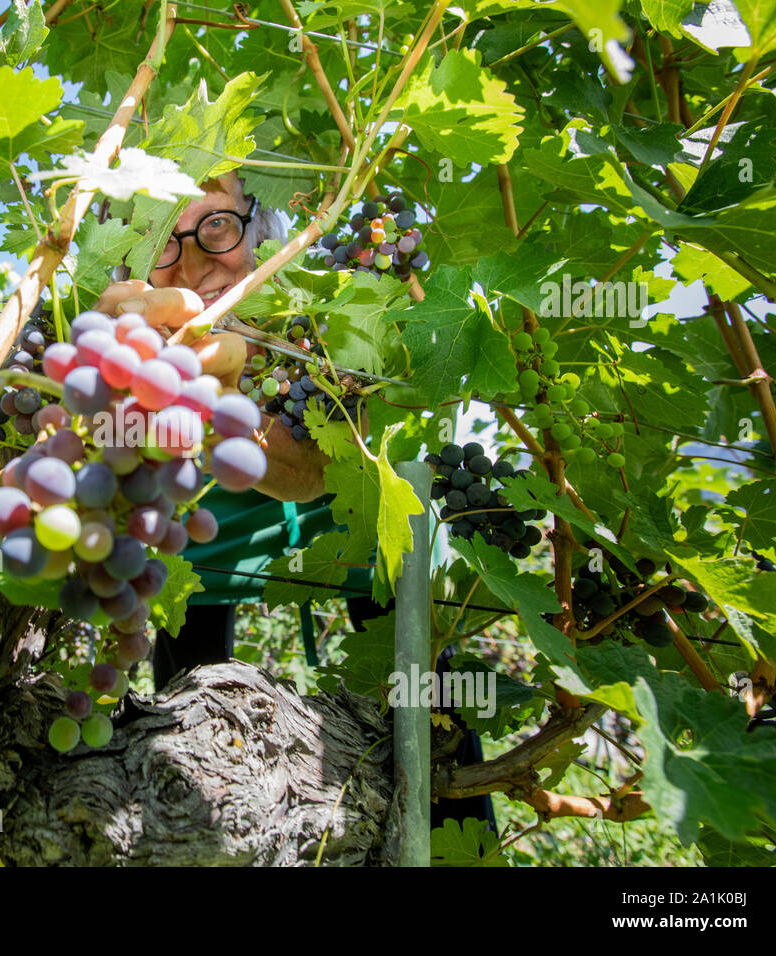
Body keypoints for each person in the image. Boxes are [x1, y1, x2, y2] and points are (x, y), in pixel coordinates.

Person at [94, 173, 495, 832]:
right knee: (191, 743)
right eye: (164, 242)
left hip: (367, 538)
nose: (193, 261)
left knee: (434, 744)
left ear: (261, 223)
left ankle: (462, 840)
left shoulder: (335, 305)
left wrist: (228, 392)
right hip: (208, 557)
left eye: (215, 226)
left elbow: (314, 470)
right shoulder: (134, 331)